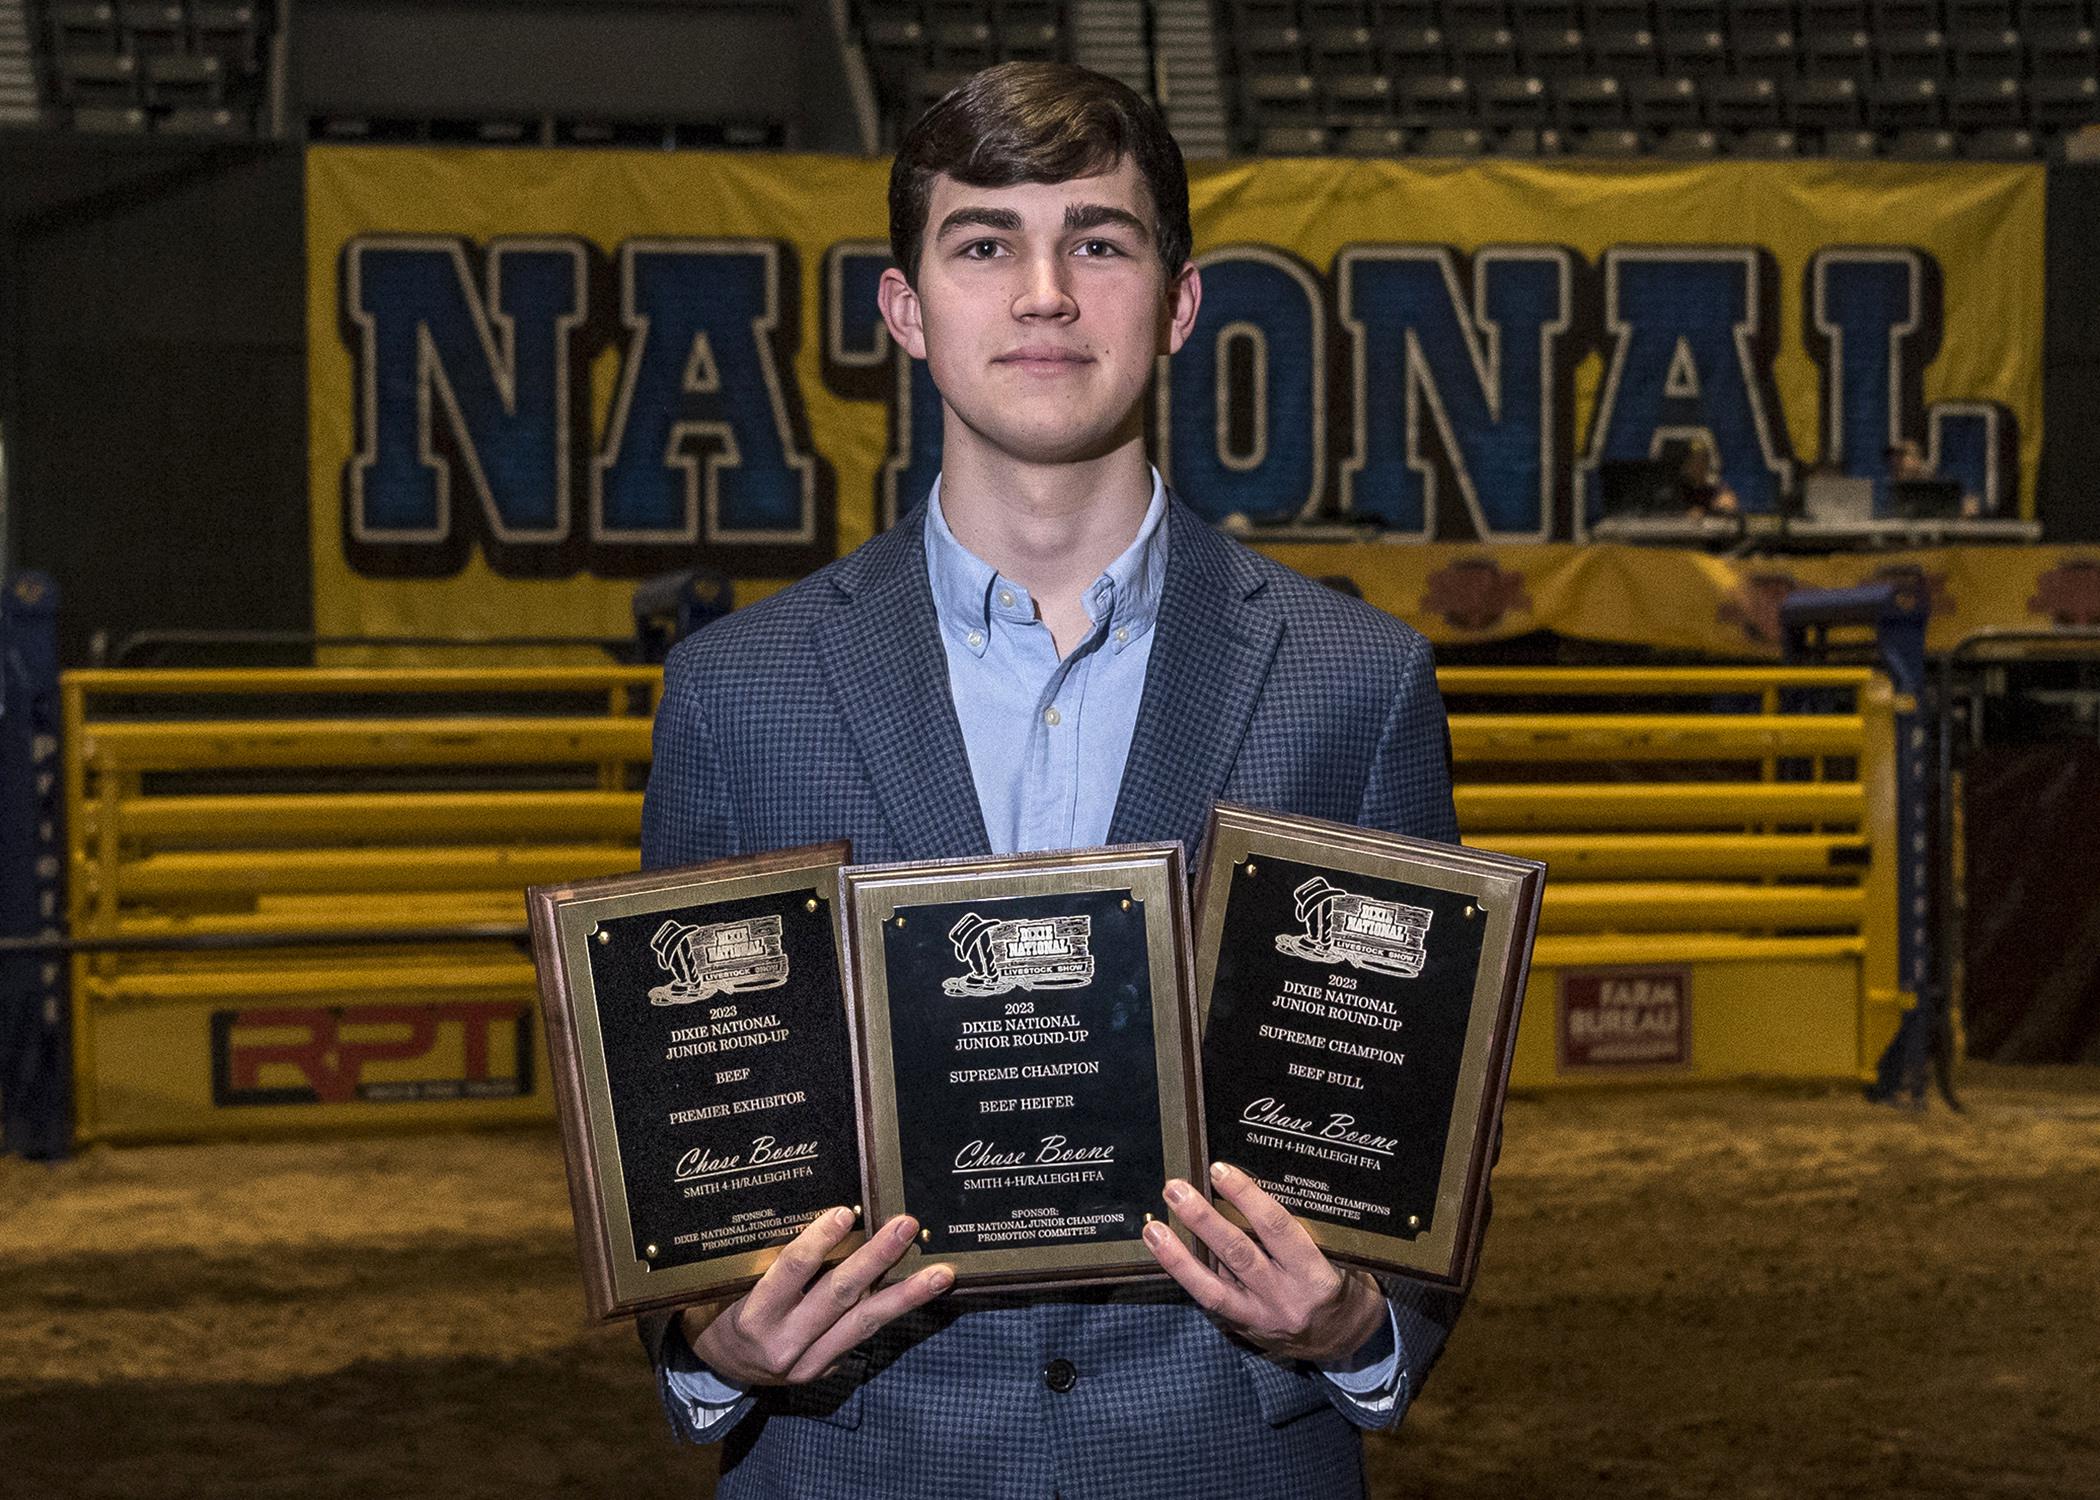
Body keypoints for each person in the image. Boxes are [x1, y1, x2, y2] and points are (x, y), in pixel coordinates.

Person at [636, 61, 1469, 1498]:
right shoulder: (734, 693)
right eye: (983, 243)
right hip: (857, 1462)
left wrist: (1361, 1328)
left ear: (1180, 301)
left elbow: (1416, 1119)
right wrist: (714, 1349)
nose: (1043, 292)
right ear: (905, 312)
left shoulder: (1358, 679)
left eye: (1098, 239)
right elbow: (688, 1128)